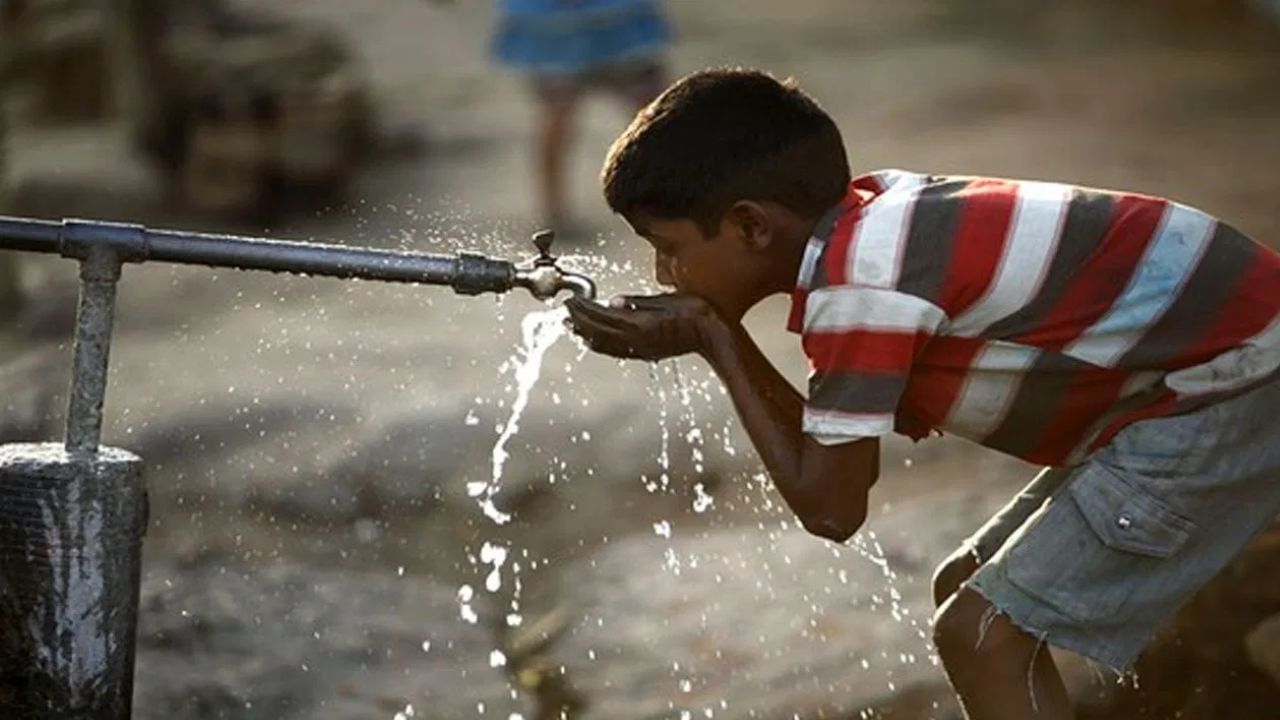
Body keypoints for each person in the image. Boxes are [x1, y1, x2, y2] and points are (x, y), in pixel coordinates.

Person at [564, 68, 1280, 719]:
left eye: (670, 248)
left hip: (1234, 382)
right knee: (966, 585)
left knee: (982, 635)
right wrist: (716, 332)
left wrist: (717, 339)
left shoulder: (863, 285)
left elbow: (832, 507)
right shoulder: (871, 223)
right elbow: (828, 457)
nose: (662, 274)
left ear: (752, 225)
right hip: (1215, 369)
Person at [491, 0, 671, 233]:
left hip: (597, 23)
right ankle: (554, 211)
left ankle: (667, 200)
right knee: (559, 114)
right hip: (563, 26)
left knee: (655, 115)